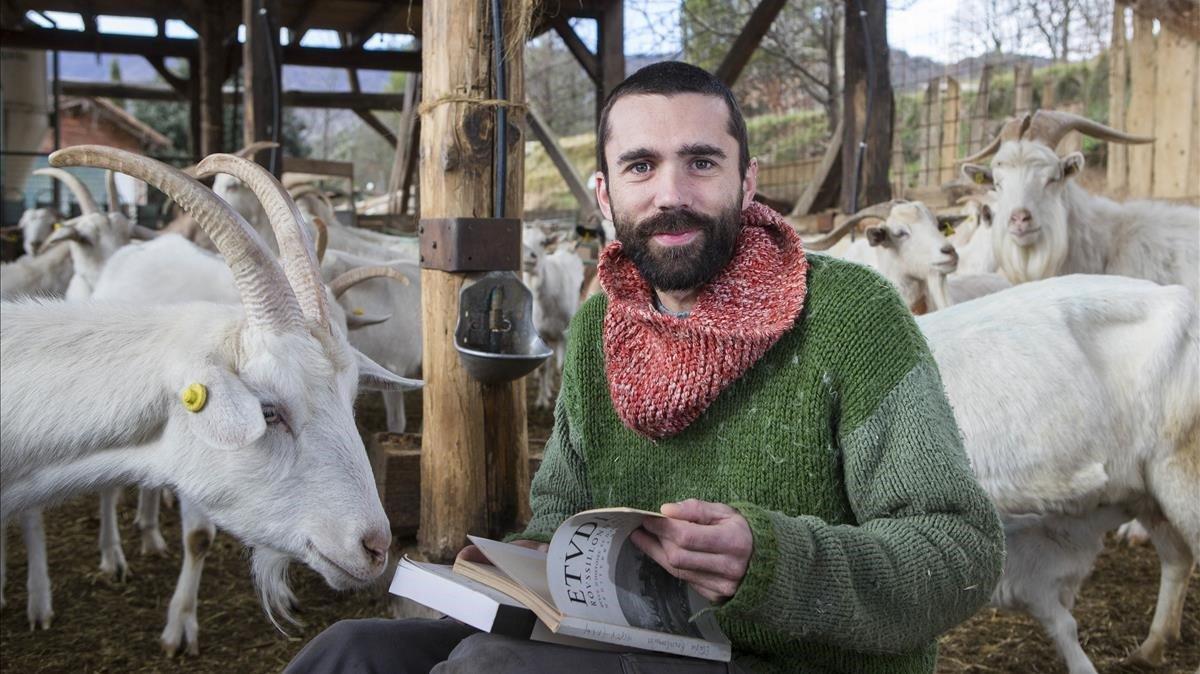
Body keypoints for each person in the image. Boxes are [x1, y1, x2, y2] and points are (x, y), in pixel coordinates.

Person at [286, 61, 1004, 674]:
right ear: (604, 196)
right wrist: (516, 568)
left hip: (795, 661)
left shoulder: (850, 316)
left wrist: (773, 562)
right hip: (636, 646)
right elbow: (565, 517)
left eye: (700, 161)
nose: (670, 194)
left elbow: (961, 551)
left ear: (746, 181)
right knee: (350, 653)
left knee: (489, 669)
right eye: (640, 166)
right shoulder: (606, 322)